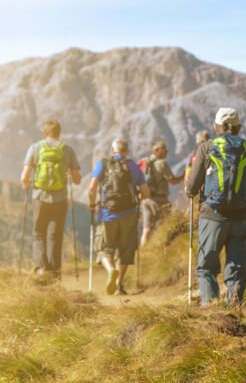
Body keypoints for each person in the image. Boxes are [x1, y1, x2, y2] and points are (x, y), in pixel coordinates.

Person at [186, 107, 246, 306]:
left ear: (218, 127)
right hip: (241, 218)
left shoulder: (206, 148)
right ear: (238, 127)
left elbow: (191, 187)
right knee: (238, 268)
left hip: (212, 217)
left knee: (206, 268)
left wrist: (192, 193)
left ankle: (211, 313)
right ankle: (234, 313)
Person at [20, 119, 82, 278]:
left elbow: (24, 177)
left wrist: (27, 187)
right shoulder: (67, 150)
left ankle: (41, 268)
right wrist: (68, 175)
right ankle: (54, 272)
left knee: (38, 233)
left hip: (40, 197)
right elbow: (77, 180)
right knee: (55, 235)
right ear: (59, 133)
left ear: (44, 132)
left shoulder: (35, 148)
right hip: (60, 199)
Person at [88, 138, 150, 295]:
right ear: (126, 151)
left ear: (112, 150)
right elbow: (146, 192)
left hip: (107, 214)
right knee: (125, 250)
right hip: (129, 214)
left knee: (104, 248)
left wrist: (92, 205)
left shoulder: (103, 164)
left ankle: (110, 270)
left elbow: (92, 188)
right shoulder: (133, 166)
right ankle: (119, 285)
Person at [140, 140, 184, 246]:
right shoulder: (162, 163)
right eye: (164, 148)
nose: (167, 151)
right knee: (164, 224)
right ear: (157, 150)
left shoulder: (146, 163)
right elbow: (173, 181)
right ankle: (160, 249)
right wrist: (184, 176)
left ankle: (143, 254)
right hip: (159, 200)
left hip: (146, 200)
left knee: (146, 229)